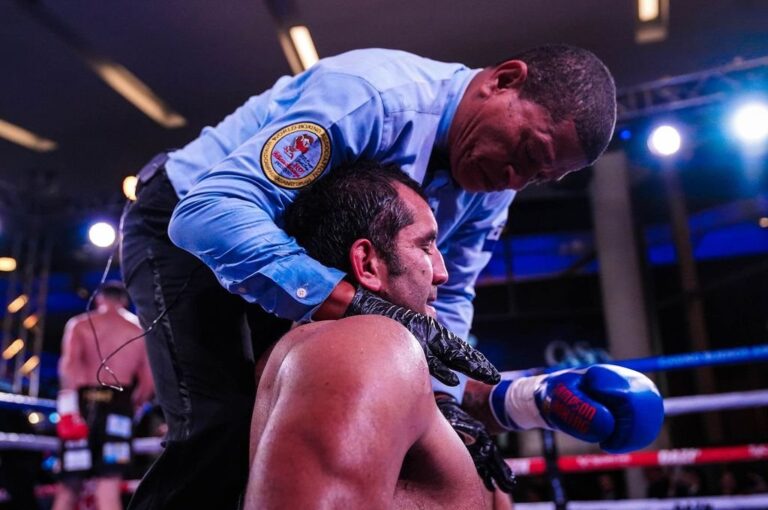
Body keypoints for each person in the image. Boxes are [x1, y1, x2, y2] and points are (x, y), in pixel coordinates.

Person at [120, 45, 617, 508]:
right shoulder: (371, 97)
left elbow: (450, 292)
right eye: (527, 153)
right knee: (219, 423)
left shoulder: (492, 186)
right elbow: (207, 213)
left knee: (290, 426)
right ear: (504, 80)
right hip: (184, 220)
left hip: (297, 252)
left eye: (536, 178)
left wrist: (444, 397)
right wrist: (353, 303)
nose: (514, 181)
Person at [246, 162, 663, 508]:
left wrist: (532, 401)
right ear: (368, 264)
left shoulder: (365, 361)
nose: (443, 272)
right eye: (425, 246)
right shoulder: (365, 344)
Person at [54, 282, 154, 510]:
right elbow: (149, 380)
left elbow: (68, 366)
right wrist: (134, 406)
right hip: (119, 407)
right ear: (125, 300)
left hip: (83, 404)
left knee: (69, 485)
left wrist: (69, 410)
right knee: (108, 485)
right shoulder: (139, 328)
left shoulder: (80, 324)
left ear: (99, 298)